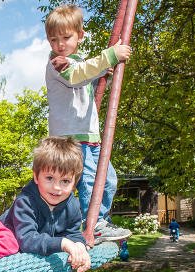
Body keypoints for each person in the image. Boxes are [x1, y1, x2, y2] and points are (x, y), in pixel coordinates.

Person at [44, 4, 132, 243]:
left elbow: (84, 78)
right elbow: (77, 76)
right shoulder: (58, 63)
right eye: (54, 39)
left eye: (66, 37)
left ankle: (97, 219)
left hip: (88, 134)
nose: (60, 44)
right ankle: (93, 223)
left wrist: (102, 73)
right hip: (70, 137)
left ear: (80, 36)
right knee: (90, 181)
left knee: (108, 179)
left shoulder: (77, 61)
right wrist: (110, 57)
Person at [0, 137, 91, 272]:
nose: (56, 187)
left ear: (74, 183)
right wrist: (63, 243)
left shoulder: (72, 205)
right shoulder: (25, 202)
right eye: (49, 178)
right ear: (36, 177)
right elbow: (27, 240)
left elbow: (73, 232)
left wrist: (80, 247)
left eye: (65, 181)